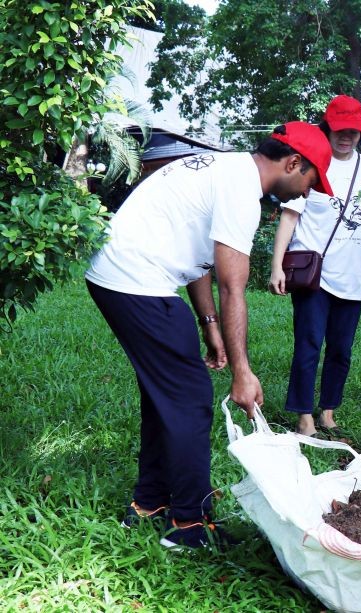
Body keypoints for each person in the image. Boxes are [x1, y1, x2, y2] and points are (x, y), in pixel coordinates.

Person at [85, 122, 333, 549]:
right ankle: (189, 526)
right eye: (311, 180)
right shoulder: (241, 191)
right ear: (292, 163)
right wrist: (242, 371)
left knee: (167, 394)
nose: (308, 193)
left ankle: (150, 502)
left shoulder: (228, 170)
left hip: (121, 275)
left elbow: (200, 261)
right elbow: (231, 285)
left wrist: (209, 326)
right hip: (135, 279)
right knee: (191, 398)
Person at [268, 96, 361, 438]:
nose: (346, 136)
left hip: (353, 272)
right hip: (313, 274)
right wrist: (277, 265)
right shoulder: (313, 161)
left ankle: (328, 411)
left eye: (353, 130)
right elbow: (290, 216)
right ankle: (304, 415)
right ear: (328, 127)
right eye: (339, 129)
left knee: (341, 348)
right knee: (308, 344)